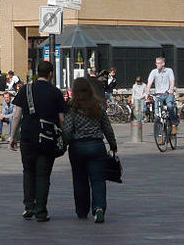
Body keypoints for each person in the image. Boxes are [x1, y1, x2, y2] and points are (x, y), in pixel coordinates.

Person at [9, 61, 66, 222]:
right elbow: (62, 119)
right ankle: (41, 210)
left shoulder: (26, 89)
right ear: (50, 74)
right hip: (47, 139)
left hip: (27, 138)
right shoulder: (56, 92)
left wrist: (13, 136)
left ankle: (29, 206)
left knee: (28, 172)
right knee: (43, 175)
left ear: (36, 72)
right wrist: (64, 136)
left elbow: (16, 116)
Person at [63, 77, 117, 223]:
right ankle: (98, 208)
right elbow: (107, 127)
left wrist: (63, 144)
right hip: (96, 145)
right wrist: (113, 144)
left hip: (77, 147)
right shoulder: (97, 106)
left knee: (80, 180)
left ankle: (82, 210)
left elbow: (67, 130)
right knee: (98, 179)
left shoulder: (73, 108)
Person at [145, 56, 179, 134]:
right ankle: (159, 136)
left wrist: (171, 89)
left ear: (163, 63)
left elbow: (172, 80)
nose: (157, 65)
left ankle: (174, 124)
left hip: (167, 93)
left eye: (159, 63)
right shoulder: (154, 72)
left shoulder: (169, 71)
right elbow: (149, 83)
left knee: (170, 106)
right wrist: (147, 93)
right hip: (158, 95)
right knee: (157, 115)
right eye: (156, 63)